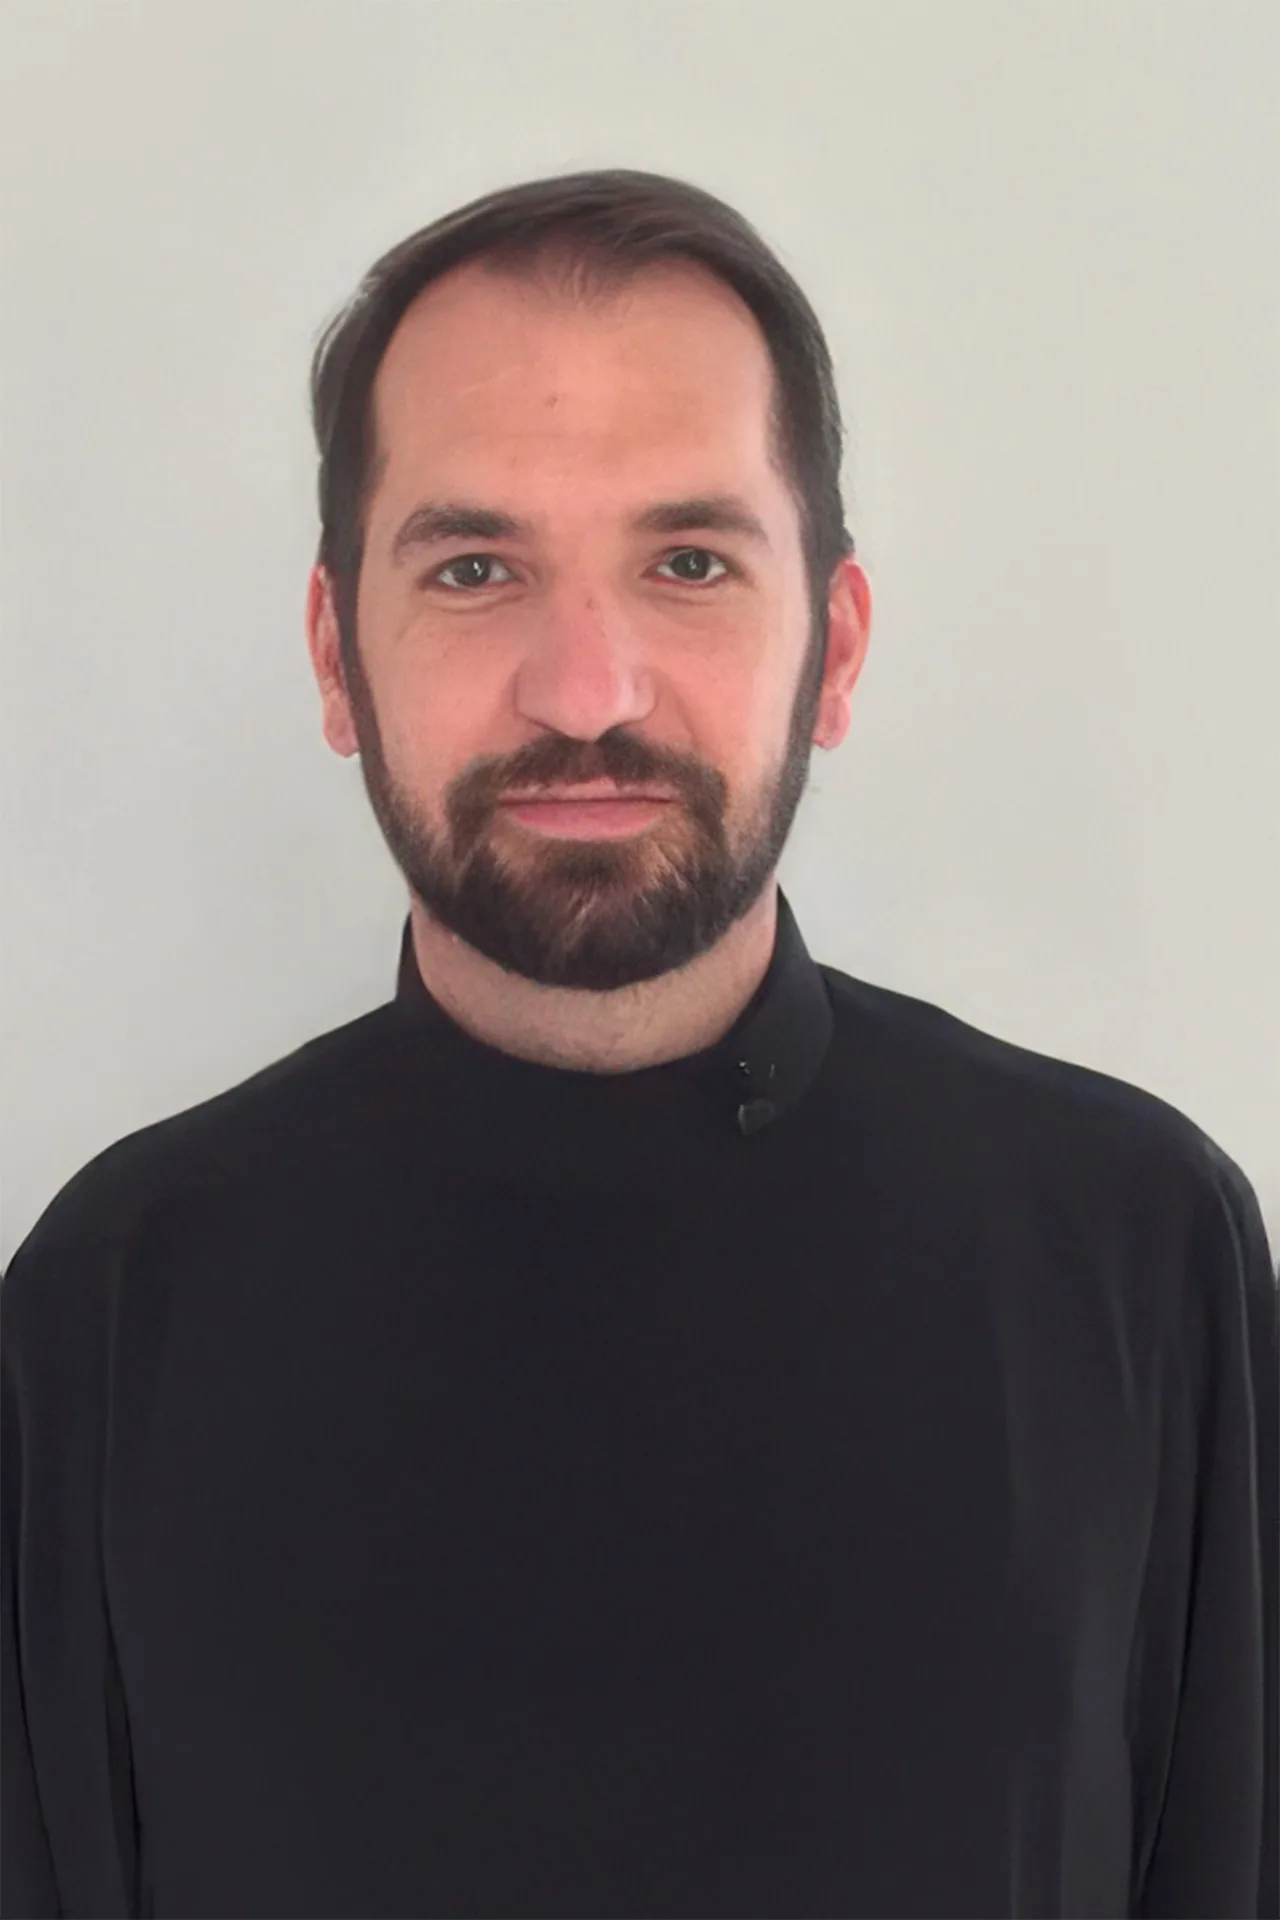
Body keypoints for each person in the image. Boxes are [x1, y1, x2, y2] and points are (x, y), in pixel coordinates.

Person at [2, 168, 1275, 1920]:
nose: (585, 689)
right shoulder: (107, 1309)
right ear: (336, 656)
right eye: (475, 567)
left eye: (688, 563)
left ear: (833, 648)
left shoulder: (1137, 1254)